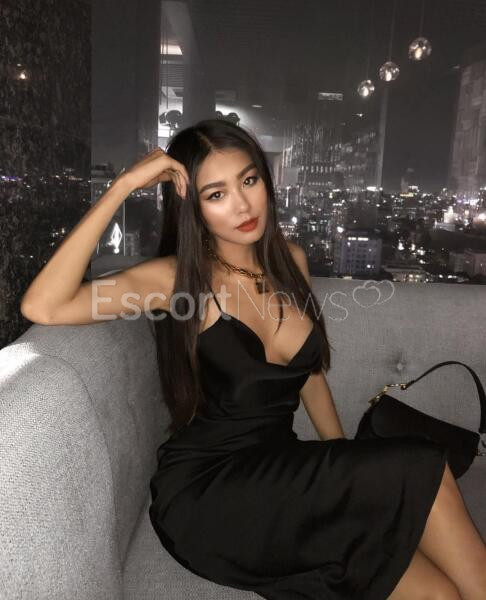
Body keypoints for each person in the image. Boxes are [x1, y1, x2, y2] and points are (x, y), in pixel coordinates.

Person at [21, 119, 486, 599]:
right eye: (216, 194)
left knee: (439, 594)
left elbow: (310, 378)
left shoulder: (291, 261)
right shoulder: (177, 281)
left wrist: (348, 466)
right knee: (425, 465)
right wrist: (122, 187)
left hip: (279, 467)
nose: (243, 206)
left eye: (248, 180)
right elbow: (44, 305)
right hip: (211, 488)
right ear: (191, 205)